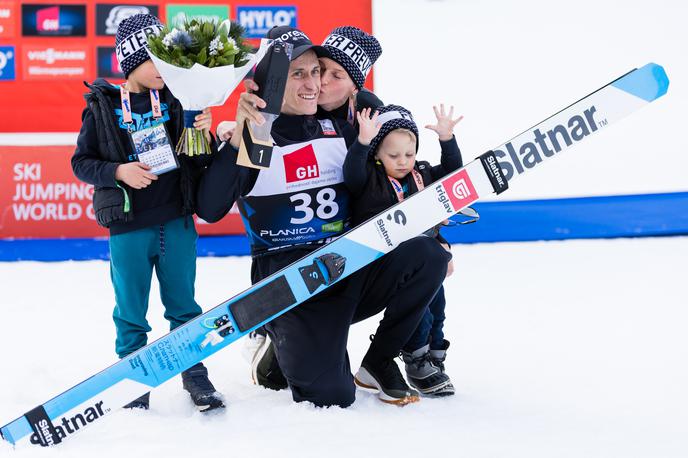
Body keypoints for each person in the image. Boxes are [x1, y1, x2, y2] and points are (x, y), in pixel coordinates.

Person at [197, 26, 450, 407]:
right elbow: (211, 209)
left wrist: (437, 230)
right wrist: (236, 136)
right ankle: (275, 344)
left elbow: (396, 177)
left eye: (316, 71)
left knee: (429, 256)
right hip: (293, 285)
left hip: (349, 266)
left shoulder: (343, 127)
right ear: (273, 80)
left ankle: (379, 360)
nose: (313, 83)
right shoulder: (259, 133)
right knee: (333, 397)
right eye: (298, 73)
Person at [71, 13, 223, 412]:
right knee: (130, 309)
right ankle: (132, 378)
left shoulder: (178, 102)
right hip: (128, 226)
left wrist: (203, 130)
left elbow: (199, 158)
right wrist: (117, 171)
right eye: (155, 61)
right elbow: (81, 162)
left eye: (168, 62)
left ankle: (194, 373)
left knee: (184, 305)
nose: (164, 70)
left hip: (175, 219)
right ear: (131, 62)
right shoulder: (102, 106)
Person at [344, 104, 463, 396]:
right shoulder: (370, 180)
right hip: (385, 267)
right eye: (393, 155)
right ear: (377, 154)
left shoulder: (420, 174)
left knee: (437, 305)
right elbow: (351, 175)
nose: (402, 162)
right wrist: (361, 143)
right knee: (419, 307)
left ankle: (435, 354)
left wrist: (447, 140)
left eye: (409, 154)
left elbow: (452, 173)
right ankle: (415, 356)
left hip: (423, 260)